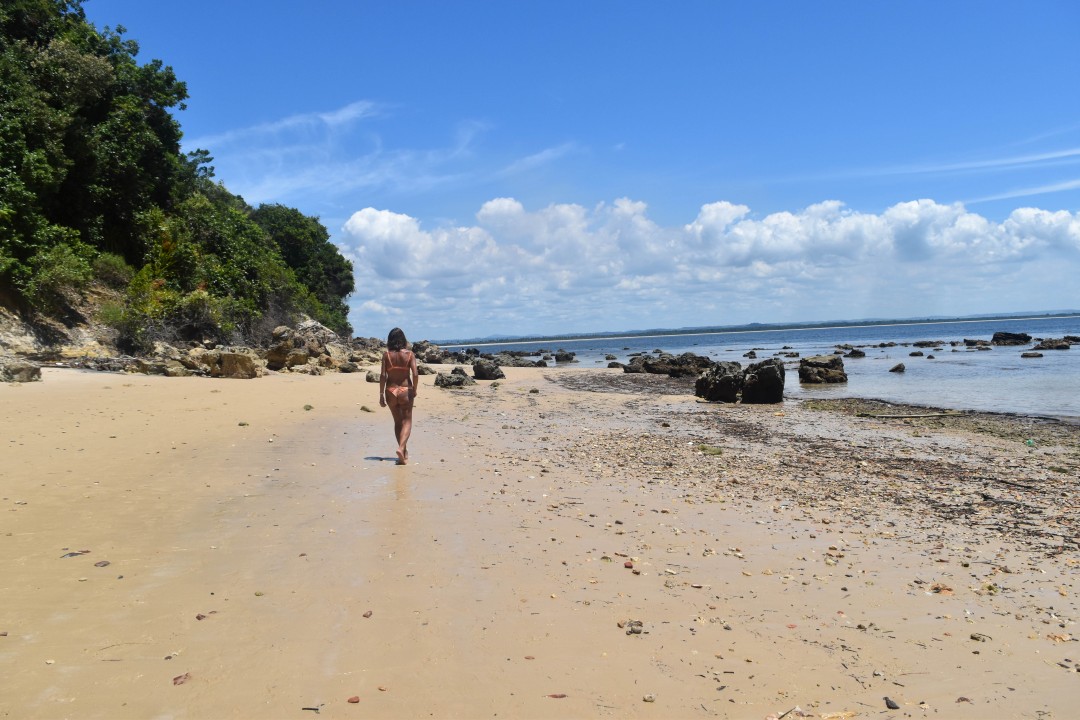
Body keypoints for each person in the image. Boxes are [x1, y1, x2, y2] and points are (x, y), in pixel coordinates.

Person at [379, 327, 418, 464]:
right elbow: (415, 374)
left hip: (390, 390)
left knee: (397, 422)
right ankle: (401, 448)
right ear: (403, 340)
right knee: (407, 420)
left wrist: (381, 394)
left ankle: (404, 452)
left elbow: (383, 375)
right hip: (405, 389)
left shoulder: (386, 355)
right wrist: (415, 389)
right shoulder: (409, 354)